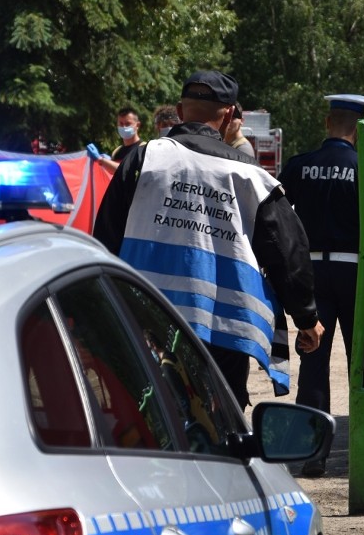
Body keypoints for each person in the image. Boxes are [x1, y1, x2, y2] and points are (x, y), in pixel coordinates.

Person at [93, 70, 323, 411]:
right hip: (223, 325)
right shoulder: (251, 176)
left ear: (180, 112)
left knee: (152, 410)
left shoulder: (144, 159)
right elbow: (288, 251)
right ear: (230, 116)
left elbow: (106, 235)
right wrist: (306, 318)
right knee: (222, 415)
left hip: (148, 317)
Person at [278, 93, 364, 474]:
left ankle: (314, 455)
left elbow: (278, 219)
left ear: (326, 123)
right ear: (361, 129)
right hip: (355, 274)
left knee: (314, 362)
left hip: (312, 275)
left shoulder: (300, 166)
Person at [96, 106, 144, 175]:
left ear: (137, 125)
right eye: (121, 124)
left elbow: (128, 171)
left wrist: (102, 160)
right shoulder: (116, 152)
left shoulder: (144, 148)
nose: (124, 127)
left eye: (128, 124)